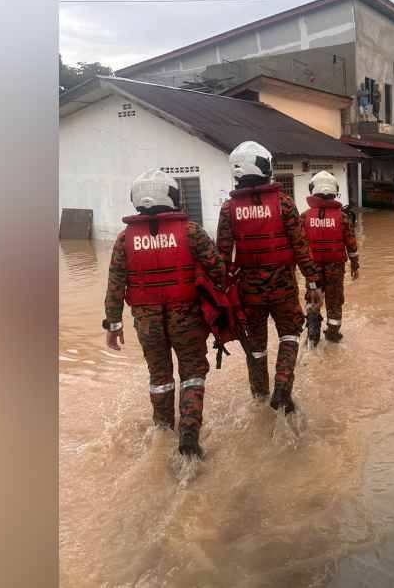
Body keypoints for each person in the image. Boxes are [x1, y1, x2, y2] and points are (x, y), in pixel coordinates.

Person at [102, 169, 227, 458]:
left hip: (147, 324)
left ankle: (162, 434)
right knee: (193, 374)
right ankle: (189, 435)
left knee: (159, 377)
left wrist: (114, 323)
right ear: (172, 196)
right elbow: (218, 271)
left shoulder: (124, 239)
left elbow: (115, 284)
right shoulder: (192, 232)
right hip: (188, 319)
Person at [216, 141, 324, 414]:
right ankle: (282, 388)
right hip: (283, 287)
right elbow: (302, 249)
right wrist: (313, 284)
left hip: (248, 292)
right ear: (264, 169)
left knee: (256, 346)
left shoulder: (228, 209)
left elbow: (222, 257)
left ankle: (260, 395)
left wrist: (221, 297)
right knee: (289, 335)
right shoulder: (285, 203)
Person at [301, 171, 360, 344]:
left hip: (312, 270)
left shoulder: (304, 217)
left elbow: (298, 245)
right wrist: (355, 265)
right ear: (334, 191)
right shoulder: (342, 217)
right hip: (335, 269)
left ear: (313, 189)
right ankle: (333, 334)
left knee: (313, 298)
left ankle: (313, 335)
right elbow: (351, 244)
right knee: (334, 300)